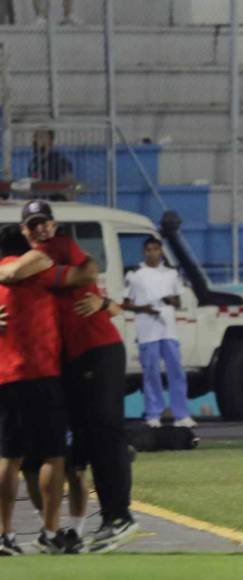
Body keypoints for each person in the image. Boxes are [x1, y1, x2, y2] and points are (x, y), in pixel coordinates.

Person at [15, 200, 137, 552]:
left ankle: (118, 516)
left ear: (54, 225)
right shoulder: (40, 260)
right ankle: (92, 522)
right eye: (33, 224)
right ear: (24, 230)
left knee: (103, 433)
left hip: (94, 351)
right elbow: (91, 279)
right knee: (84, 442)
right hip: (75, 359)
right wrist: (104, 302)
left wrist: (101, 301)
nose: (41, 229)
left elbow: (87, 271)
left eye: (45, 222)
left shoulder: (53, 248)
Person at [0, 225, 96, 555]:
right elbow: (82, 276)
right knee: (54, 455)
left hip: (4, 378)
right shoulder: (41, 272)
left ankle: (4, 536)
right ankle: (50, 531)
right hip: (41, 374)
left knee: (8, 457)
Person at [122, 237, 195, 429]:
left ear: (161, 251)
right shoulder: (135, 275)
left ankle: (181, 414)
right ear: (144, 252)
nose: (152, 253)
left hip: (168, 329)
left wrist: (170, 300)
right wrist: (144, 309)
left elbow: (178, 302)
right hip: (147, 330)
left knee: (176, 372)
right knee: (151, 373)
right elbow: (125, 303)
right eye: (148, 250)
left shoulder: (171, 274)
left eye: (155, 249)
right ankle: (153, 413)